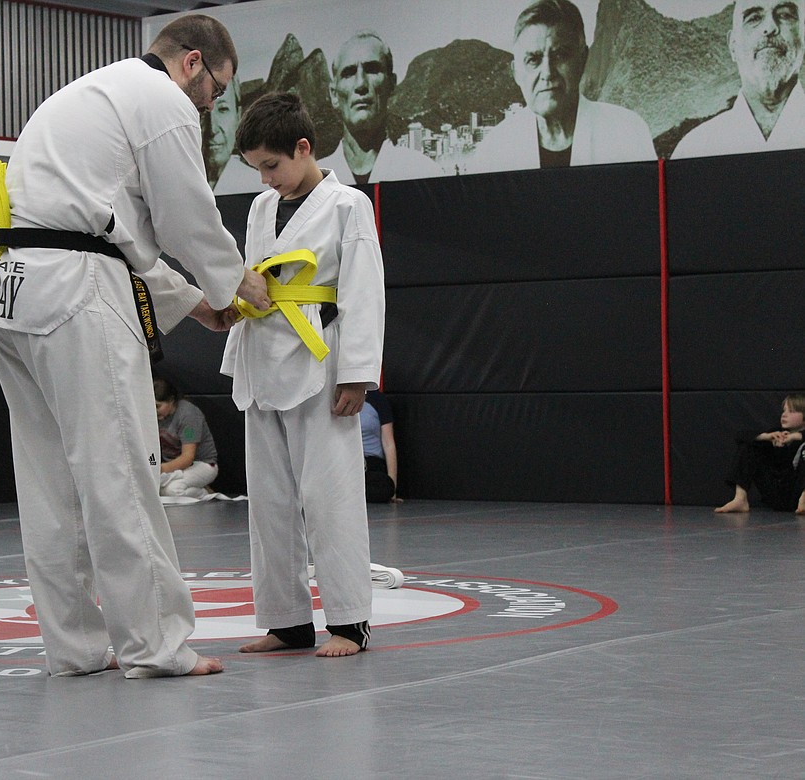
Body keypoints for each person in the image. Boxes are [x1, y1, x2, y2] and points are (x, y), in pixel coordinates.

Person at [0, 13, 270, 678]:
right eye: (216, 91)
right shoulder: (162, 98)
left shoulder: (86, 95)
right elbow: (183, 215)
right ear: (192, 63)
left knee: (50, 483)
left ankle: (75, 648)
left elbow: (115, 229)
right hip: (74, 290)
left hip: (10, 287)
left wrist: (194, 302)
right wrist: (229, 283)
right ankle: (156, 646)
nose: (211, 107)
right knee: (121, 475)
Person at [224, 92, 385, 658]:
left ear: (303, 147)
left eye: (272, 165)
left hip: (322, 359)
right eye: (257, 170)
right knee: (267, 499)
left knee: (329, 495)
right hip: (262, 352)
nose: (267, 180)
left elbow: (365, 293)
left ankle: (349, 620)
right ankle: (287, 620)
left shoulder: (348, 205)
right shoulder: (260, 209)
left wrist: (359, 375)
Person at [469, 0, 655, 173]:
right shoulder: (493, 152)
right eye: (533, 60)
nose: (548, 73)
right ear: (516, 72)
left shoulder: (628, 133)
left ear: (583, 59)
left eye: (560, 55)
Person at [673, 1, 805, 159]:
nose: (770, 27)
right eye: (754, 18)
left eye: (785, 15)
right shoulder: (695, 148)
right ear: (733, 45)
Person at [323, 30, 443, 184]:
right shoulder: (314, 184)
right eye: (349, 73)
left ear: (391, 84)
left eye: (372, 70)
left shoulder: (425, 172)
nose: (361, 84)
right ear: (334, 94)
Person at [715, 394, 805, 514]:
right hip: (776, 494)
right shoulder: (778, 434)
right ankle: (740, 498)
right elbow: (740, 436)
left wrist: (797, 436)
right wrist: (766, 437)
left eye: (791, 411)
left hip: (798, 493)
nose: (784, 414)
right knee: (749, 445)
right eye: (784, 410)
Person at [154, 377, 219, 498]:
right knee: (155, 490)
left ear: (171, 400)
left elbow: (188, 457)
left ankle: (206, 495)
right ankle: (198, 486)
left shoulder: (188, 415)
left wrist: (161, 469)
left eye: (158, 406)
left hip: (201, 465)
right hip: (174, 467)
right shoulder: (155, 416)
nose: (154, 411)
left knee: (171, 491)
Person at [205, 75, 263, 195]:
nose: (212, 128)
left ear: (238, 114)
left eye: (223, 109)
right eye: (202, 111)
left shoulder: (259, 186)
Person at [362, 388, 398, 503]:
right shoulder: (336, 397)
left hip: (371, 465)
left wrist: (393, 489)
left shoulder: (378, 399)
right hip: (348, 464)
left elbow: (389, 444)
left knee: (384, 488)